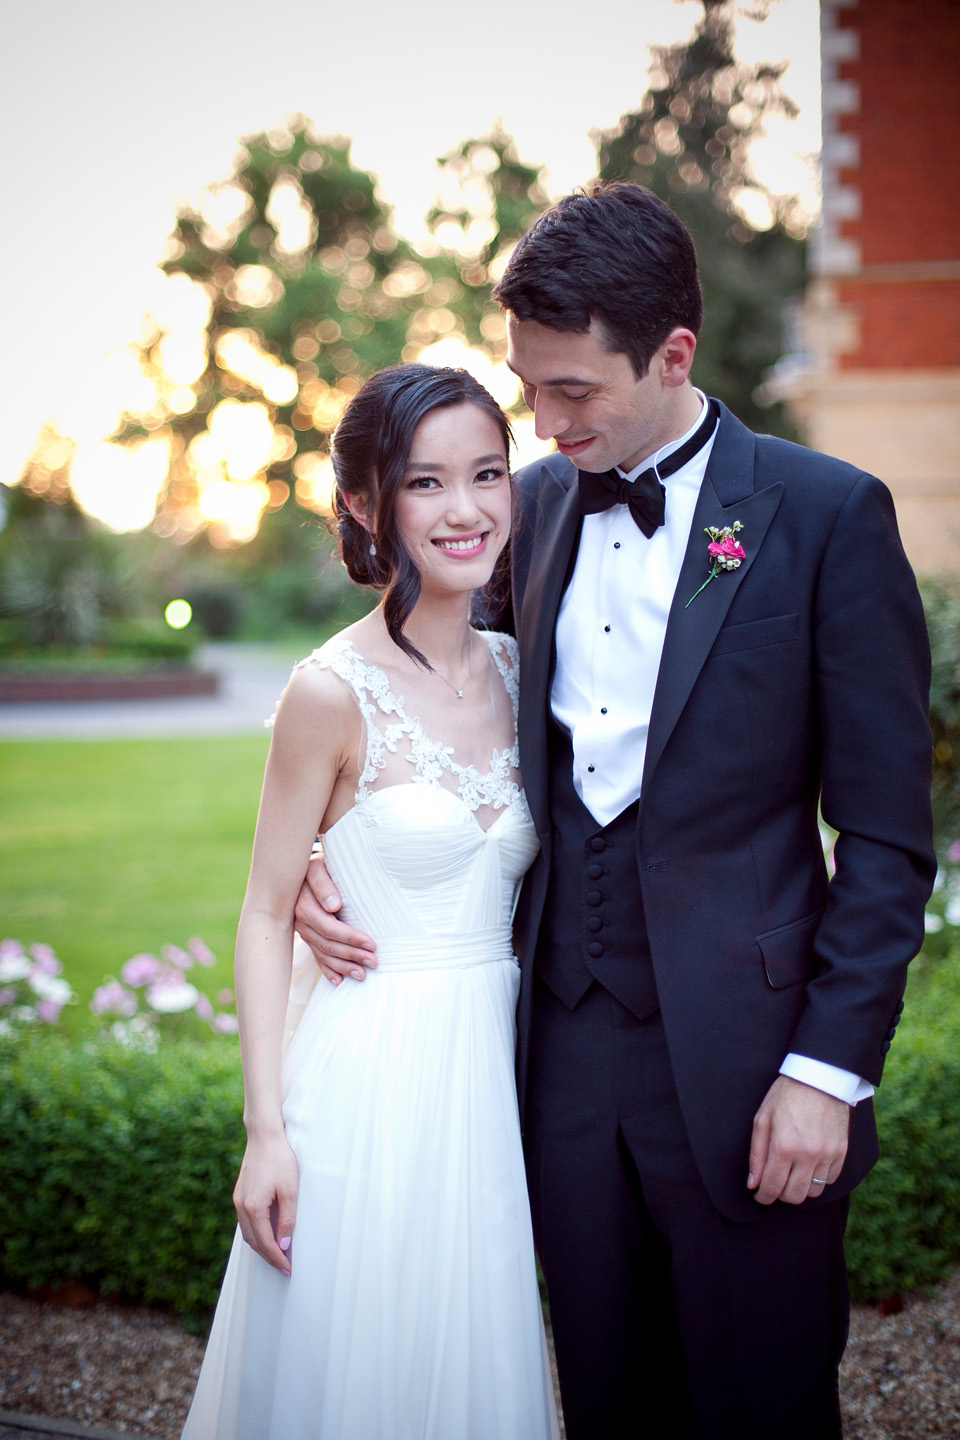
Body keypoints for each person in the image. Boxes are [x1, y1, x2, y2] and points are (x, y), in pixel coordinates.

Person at [295, 186, 936, 1439]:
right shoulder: (524, 507)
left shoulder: (826, 516)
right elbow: (404, 691)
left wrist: (828, 1070)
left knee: (764, 1401)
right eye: (529, 388)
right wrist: (331, 853)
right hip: (556, 1055)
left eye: (574, 391)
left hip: (756, 1063)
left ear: (674, 356)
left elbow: (890, 837)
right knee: (605, 1397)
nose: (543, 420)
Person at [181, 364, 558, 1440]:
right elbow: (262, 910)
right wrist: (265, 1133)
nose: (467, 509)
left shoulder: (526, 667)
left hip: (493, 1075)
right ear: (364, 504)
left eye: (488, 474)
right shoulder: (326, 693)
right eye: (426, 482)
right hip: (366, 1077)